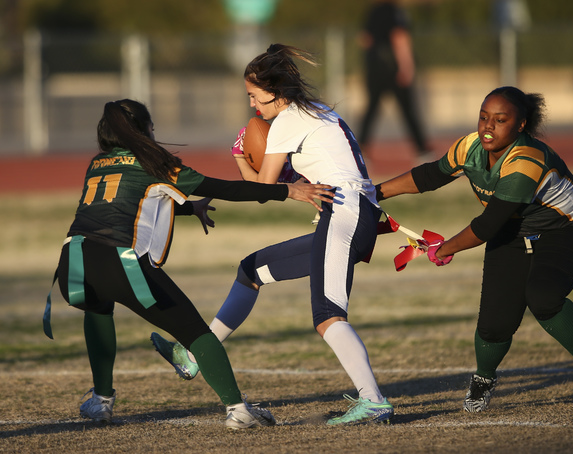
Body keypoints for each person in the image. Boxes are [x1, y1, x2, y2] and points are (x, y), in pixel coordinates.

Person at [46, 99, 334, 428]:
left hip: (72, 263)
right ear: (142, 131)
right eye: (151, 127)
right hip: (118, 261)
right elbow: (224, 188)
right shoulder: (153, 162)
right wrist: (287, 191)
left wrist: (188, 209)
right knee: (196, 333)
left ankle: (101, 401)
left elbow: (123, 199)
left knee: (97, 308)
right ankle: (237, 410)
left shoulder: (98, 163)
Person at [151, 44, 394, 426]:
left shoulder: (288, 121)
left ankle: (374, 401)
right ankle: (193, 357)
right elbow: (294, 183)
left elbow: (264, 189)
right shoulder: (316, 112)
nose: (251, 105)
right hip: (350, 214)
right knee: (251, 270)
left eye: (253, 95)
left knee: (328, 315)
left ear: (276, 92)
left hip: (345, 214)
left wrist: (238, 156)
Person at [374, 86, 573, 412]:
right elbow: (430, 175)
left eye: (500, 120)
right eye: (484, 117)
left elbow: (487, 225)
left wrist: (445, 249)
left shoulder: (526, 160)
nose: (488, 127)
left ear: (521, 125)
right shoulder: (470, 145)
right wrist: (375, 194)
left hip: (562, 230)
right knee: (494, 323)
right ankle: (484, 378)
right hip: (512, 232)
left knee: (542, 296)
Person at [358, 0, 431, 158]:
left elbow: (365, 40)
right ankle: (422, 149)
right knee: (408, 109)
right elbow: (400, 37)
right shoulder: (395, 12)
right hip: (393, 68)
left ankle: (361, 149)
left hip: (375, 68)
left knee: (372, 109)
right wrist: (406, 66)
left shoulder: (373, 11)